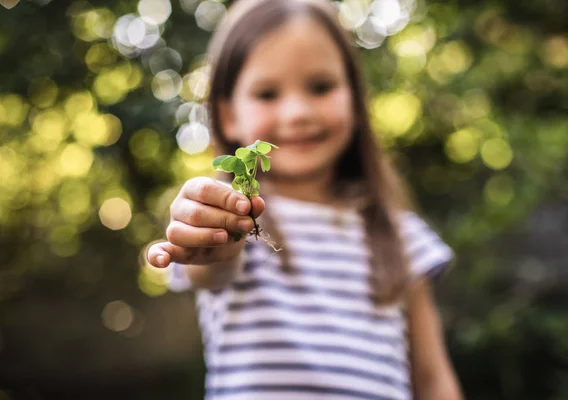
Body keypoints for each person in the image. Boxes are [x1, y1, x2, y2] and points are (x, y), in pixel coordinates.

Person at [147, 0, 463, 398]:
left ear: (355, 97)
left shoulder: (404, 236)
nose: (297, 112)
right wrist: (211, 240)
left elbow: (433, 380)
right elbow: (211, 268)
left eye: (321, 87)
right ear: (228, 116)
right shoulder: (235, 219)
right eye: (267, 93)